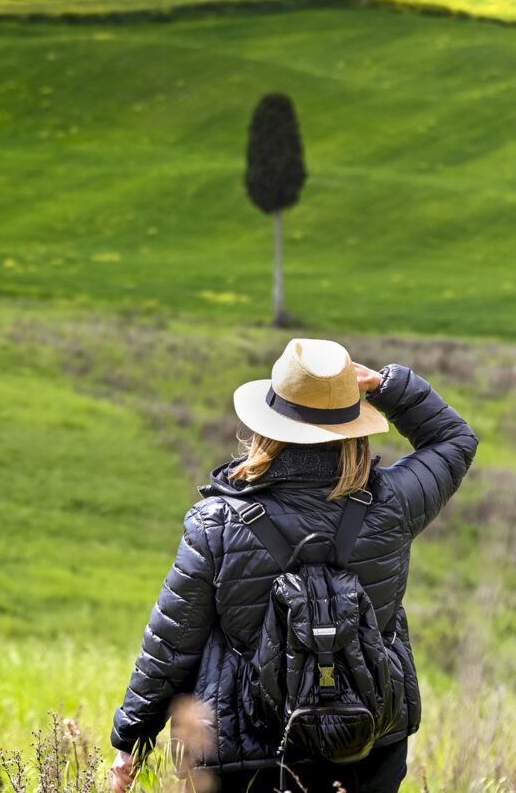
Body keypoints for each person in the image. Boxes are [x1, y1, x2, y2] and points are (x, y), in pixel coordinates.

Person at [108, 338, 477, 793]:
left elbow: (172, 644)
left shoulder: (217, 523)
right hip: (366, 746)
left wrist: (132, 740)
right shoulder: (394, 504)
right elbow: (454, 440)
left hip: (246, 754)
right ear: (353, 426)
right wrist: (385, 385)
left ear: (267, 423)